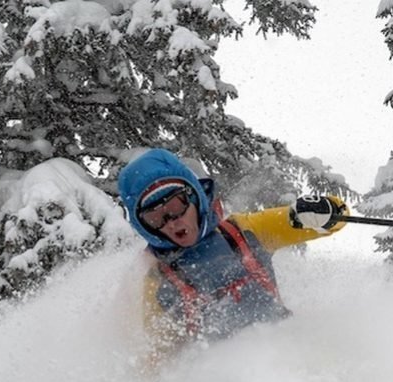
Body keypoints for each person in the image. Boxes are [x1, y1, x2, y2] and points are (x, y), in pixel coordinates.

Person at [118, 148, 349, 362]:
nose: (172, 221)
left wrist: (325, 211)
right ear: (144, 226)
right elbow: (158, 359)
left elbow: (330, 219)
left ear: (194, 196)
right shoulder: (159, 280)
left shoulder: (245, 231)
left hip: (286, 356)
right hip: (225, 380)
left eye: (176, 206)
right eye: (156, 217)